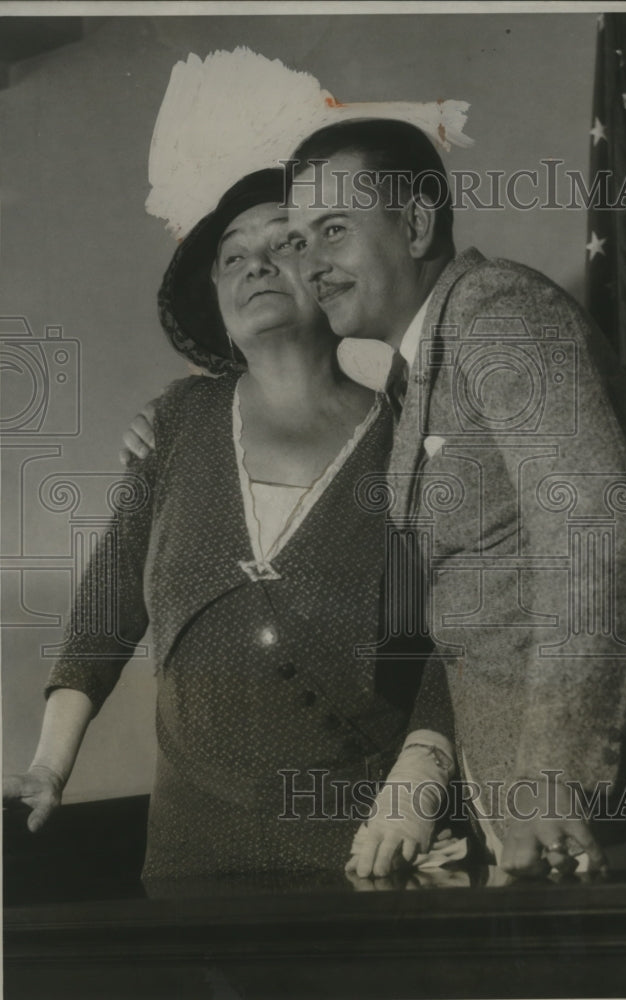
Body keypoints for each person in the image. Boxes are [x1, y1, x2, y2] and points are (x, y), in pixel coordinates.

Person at [280, 119, 626, 879]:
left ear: (417, 222)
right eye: (299, 241)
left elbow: (593, 527)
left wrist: (555, 773)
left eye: (333, 230)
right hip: (544, 822)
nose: (312, 265)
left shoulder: (498, 314)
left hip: (622, 806)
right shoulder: (424, 366)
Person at [2, 167, 455, 878]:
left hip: (368, 848)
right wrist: (48, 767)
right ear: (216, 296)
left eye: (284, 244)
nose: (256, 267)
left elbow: (454, 641)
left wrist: (417, 783)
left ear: (330, 272)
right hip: (193, 852)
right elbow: (103, 613)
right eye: (234, 256)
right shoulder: (177, 423)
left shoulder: (411, 437)